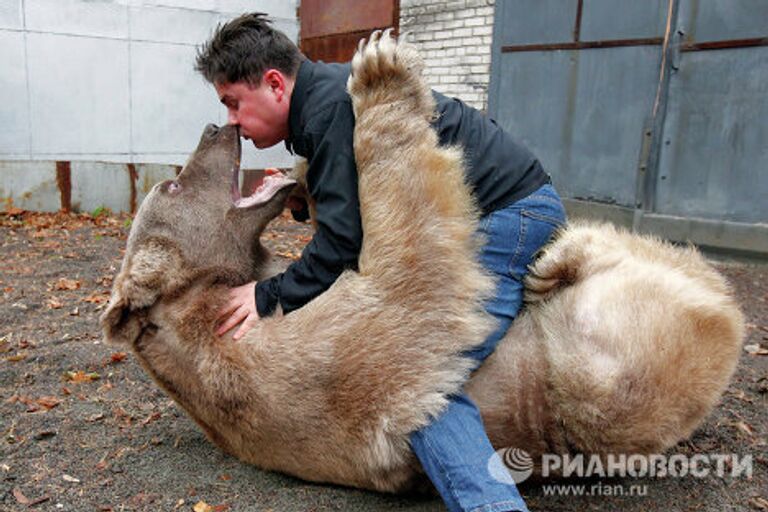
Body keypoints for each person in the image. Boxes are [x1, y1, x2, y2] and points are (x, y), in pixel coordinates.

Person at [196, 12, 566, 512]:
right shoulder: (325, 102)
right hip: (503, 205)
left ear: (276, 84)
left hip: (506, 216)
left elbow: (343, 245)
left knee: (412, 385)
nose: (233, 122)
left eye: (233, 103)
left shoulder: (327, 111)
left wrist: (268, 294)